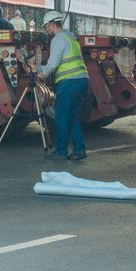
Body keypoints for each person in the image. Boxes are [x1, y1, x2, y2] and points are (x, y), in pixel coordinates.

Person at [37, 11, 88, 161]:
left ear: (51, 25)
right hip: (81, 80)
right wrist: (39, 68)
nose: (46, 30)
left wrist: (40, 73)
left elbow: (53, 65)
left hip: (69, 82)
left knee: (61, 116)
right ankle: (79, 150)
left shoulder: (58, 39)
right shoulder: (70, 37)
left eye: (46, 27)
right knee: (72, 116)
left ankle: (61, 151)